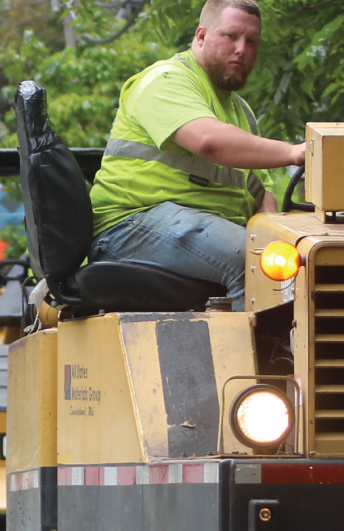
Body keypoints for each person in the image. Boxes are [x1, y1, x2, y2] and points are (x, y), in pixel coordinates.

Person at [87, 0, 305, 308]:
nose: (241, 49)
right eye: (230, 36)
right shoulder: (164, 80)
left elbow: (261, 188)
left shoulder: (240, 111)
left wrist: (269, 230)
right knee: (254, 262)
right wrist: (296, 152)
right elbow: (207, 140)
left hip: (193, 224)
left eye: (251, 41)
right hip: (129, 225)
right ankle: (261, 356)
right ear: (201, 36)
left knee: (292, 257)